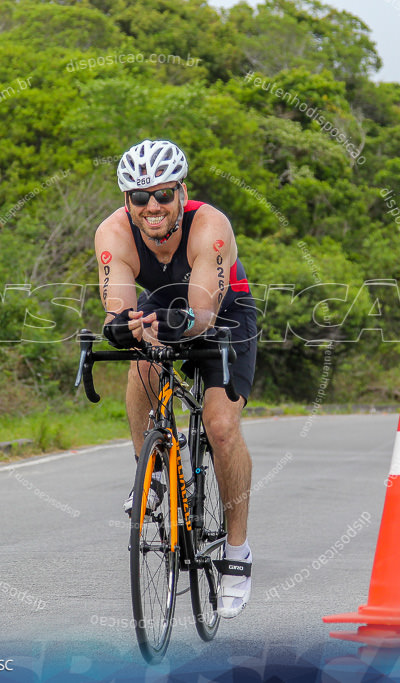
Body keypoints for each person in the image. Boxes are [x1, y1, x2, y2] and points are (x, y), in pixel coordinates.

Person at [93, 139, 258, 618]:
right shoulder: (112, 233)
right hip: (165, 304)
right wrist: (124, 327)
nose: (153, 207)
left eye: (163, 194)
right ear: (128, 201)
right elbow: (118, 305)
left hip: (225, 314)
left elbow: (203, 310)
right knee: (140, 357)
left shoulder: (211, 227)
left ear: (182, 192)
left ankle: (237, 553)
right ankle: (152, 474)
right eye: (140, 197)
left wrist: (175, 327)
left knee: (220, 427)